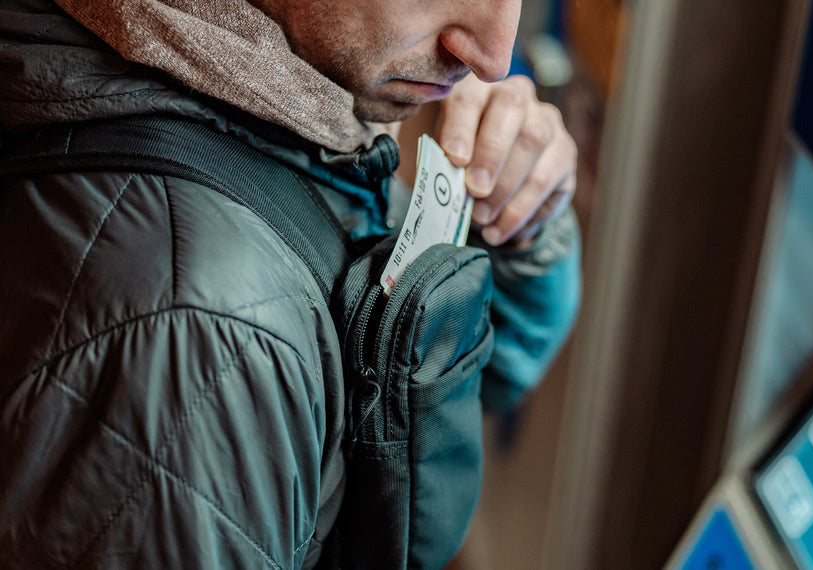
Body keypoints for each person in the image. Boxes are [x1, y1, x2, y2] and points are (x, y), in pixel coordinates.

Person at [0, 0, 581, 567]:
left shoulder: (285, 124)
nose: (493, 57)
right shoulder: (203, 336)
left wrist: (522, 229)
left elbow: (440, 401)